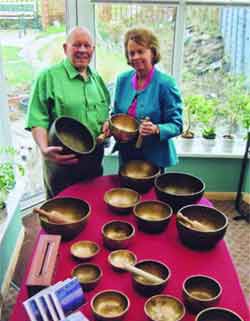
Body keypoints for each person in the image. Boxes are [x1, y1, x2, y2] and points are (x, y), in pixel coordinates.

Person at [26, 26, 110, 197]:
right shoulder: (48, 77)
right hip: (62, 163)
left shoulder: (97, 80)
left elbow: (105, 113)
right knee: (61, 215)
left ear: (93, 50)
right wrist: (43, 148)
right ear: (65, 48)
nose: (82, 50)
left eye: (87, 46)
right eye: (76, 45)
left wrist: (107, 124)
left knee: (91, 207)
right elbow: (37, 119)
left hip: (94, 163)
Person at [103, 28, 183, 171]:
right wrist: (111, 125)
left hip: (153, 159)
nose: (135, 57)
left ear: (152, 52)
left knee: (150, 194)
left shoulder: (166, 84)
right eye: (131, 53)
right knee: (125, 192)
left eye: (140, 51)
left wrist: (156, 128)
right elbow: (116, 114)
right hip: (126, 154)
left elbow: (177, 125)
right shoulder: (122, 80)